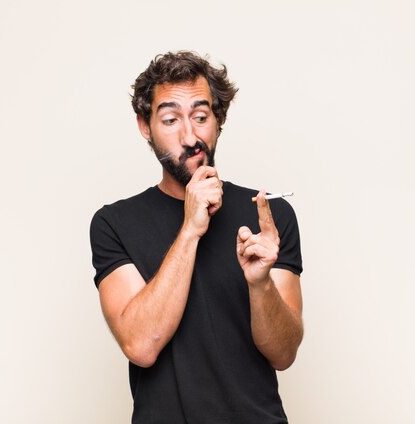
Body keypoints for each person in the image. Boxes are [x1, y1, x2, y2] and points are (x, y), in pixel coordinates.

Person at [89, 51, 304, 423]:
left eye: (201, 117)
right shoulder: (113, 223)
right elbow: (140, 345)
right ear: (145, 126)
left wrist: (260, 284)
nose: (190, 136)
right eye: (171, 119)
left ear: (218, 121)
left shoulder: (268, 215)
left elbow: (284, 354)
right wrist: (190, 229)